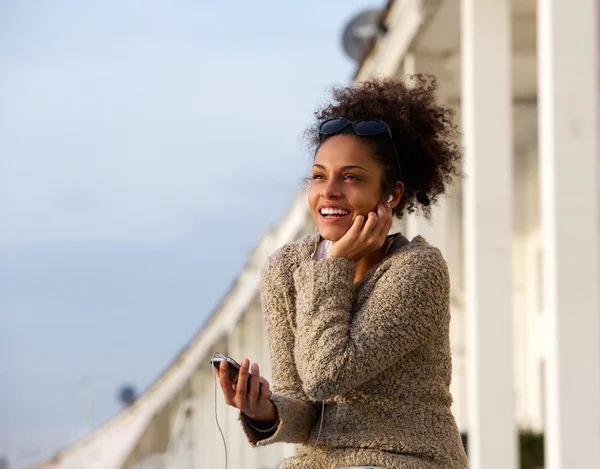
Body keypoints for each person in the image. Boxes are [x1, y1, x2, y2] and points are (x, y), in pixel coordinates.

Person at [215, 75, 468, 469]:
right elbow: (305, 401)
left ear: (391, 195)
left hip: (405, 459)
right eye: (319, 176)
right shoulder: (285, 268)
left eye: (351, 177)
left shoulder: (417, 269)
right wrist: (264, 409)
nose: (328, 191)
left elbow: (325, 375)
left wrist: (334, 264)